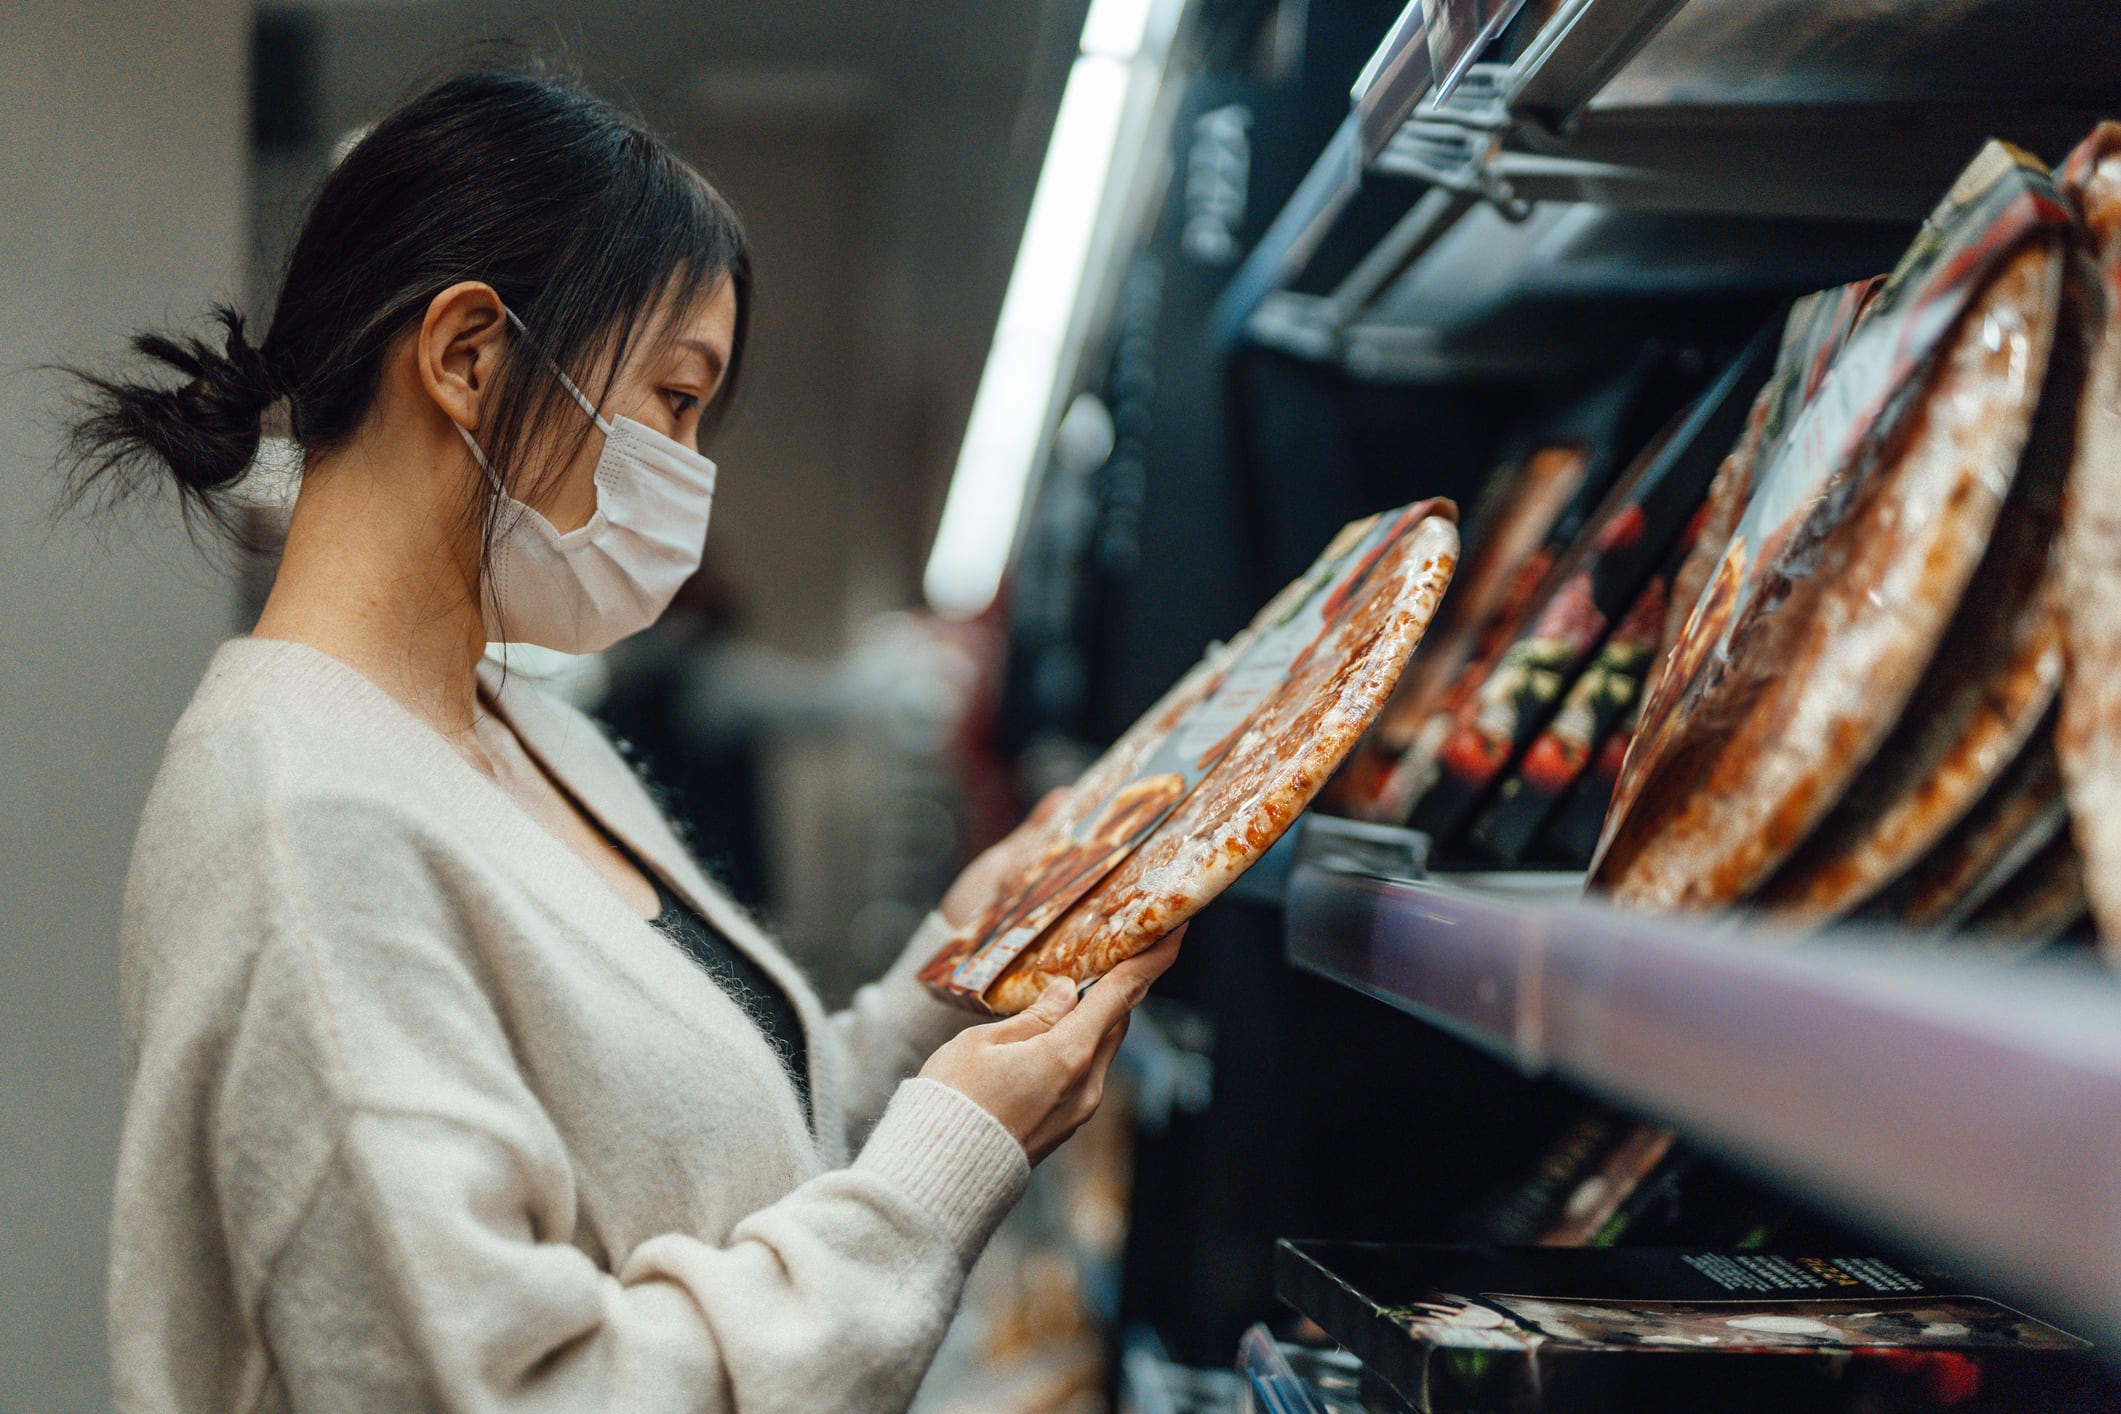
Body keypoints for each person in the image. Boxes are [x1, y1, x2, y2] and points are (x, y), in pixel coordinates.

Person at [74, 65, 1180, 1413]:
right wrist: (947, 1161)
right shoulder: (304, 830)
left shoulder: (514, 729)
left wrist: (946, 987)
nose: (689, 472)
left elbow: (703, 1138)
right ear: (468, 357)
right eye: (673, 397)